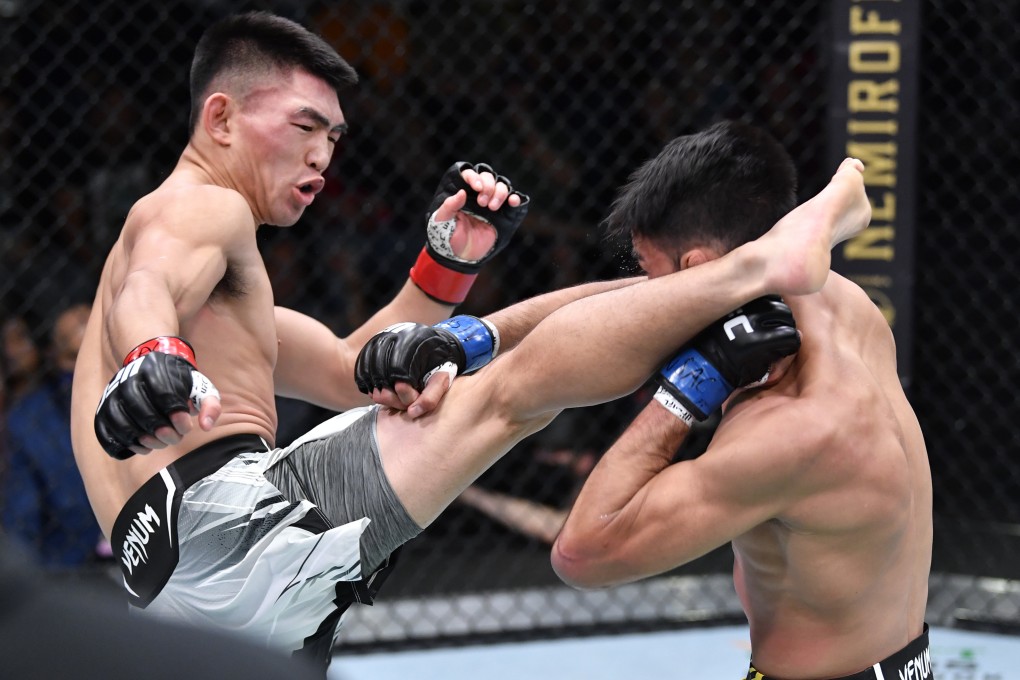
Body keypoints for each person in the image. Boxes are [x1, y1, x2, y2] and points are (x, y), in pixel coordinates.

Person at [71, 16, 867, 671]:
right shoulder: (198, 210)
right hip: (225, 525)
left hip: (193, 567)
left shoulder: (224, 297)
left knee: (479, 367)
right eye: (304, 126)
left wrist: (444, 267)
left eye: (336, 137)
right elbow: (151, 280)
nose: (322, 154)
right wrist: (151, 352)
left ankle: (721, 279)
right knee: (512, 393)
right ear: (219, 118)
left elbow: (356, 370)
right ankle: (754, 266)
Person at [540, 123, 932, 680]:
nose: (647, 299)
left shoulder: (791, 429)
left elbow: (582, 554)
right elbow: (609, 306)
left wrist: (687, 389)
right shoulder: (846, 306)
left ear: (698, 269)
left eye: (651, 275)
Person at [3, 303, 103, 567]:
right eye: (73, 358)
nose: (86, 372)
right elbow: (22, 524)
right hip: (72, 573)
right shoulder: (29, 421)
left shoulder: (154, 393)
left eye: (95, 355)